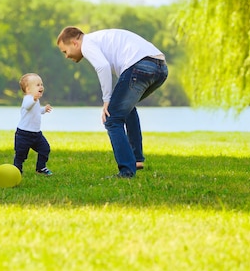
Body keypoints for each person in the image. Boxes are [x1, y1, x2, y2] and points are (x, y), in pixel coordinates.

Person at [56, 26, 168, 178]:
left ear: (75, 43)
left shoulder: (87, 43)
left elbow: (103, 66)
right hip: (160, 68)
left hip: (140, 65)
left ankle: (126, 171)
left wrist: (106, 100)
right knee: (126, 109)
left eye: (65, 51)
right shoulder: (99, 39)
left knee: (112, 119)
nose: (66, 56)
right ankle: (136, 159)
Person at [13, 73, 53, 176]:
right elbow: (27, 106)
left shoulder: (35, 100)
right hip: (23, 134)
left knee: (45, 148)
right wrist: (34, 99)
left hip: (36, 134)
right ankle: (17, 171)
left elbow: (35, 111)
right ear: (28, 90)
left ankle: (40, 167)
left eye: (41, 84)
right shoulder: (28, 98)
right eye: (37, 85)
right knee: (20, 155)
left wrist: (44, 109)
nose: (41, 87)